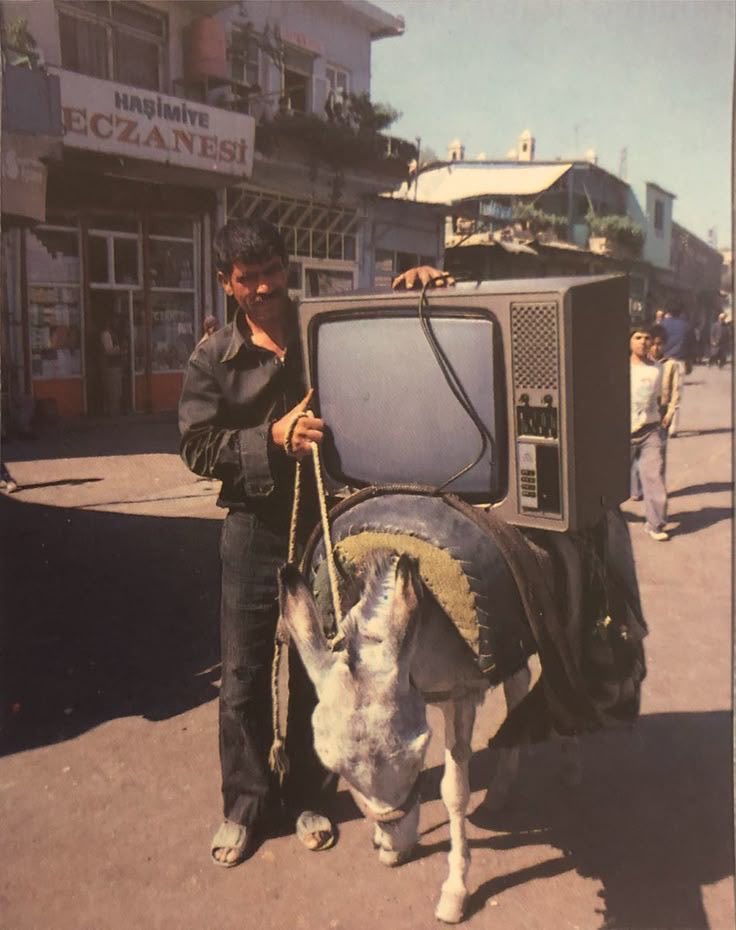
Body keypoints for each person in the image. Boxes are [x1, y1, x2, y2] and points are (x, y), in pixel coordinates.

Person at [179, 217, 446, 867]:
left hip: (327, 526)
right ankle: (246, 807)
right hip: (252, 529)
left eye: (272, 271)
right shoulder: (212, 359)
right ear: (226, 283)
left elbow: (383, 336)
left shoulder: (323, 327)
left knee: (317, 670)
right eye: (248, 278)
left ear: (286, 267)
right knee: (242, 676)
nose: (264, 287)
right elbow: (196, 446)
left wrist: (412, 287)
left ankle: (306, 794)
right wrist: (270, 439)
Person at [629, 326, 670, 541]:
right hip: (621, 431)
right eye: (638, 337)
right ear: (630, 341)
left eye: (647, 338)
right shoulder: (620, 368)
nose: (643, 342)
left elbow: (660, 398)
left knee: (654, 476)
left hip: (649, 430)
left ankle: (655, 524)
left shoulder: (657, 369)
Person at [631, 324, 680, 497]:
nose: (655, 348)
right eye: (653, 344)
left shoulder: (670, 365)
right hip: (641, 413)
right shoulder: (641, 365)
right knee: (636, 454)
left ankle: (658, 486)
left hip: (662, 411)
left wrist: (670, 413)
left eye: (660, 344)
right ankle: (636, 489)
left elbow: (676, 392)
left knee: (659, 453)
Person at [660, 305, 693, 436]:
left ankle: (662, 424)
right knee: (676, 394)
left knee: (663, 394)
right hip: (680, 361)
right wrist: (690, 363)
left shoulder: (662, 325)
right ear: (681, 312)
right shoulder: (687, 326)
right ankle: (672, 427)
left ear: (668, 311)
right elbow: (691, 346)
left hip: (663, 361)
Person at [99, 311, 123, 416]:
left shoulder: (113, 334)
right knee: (113, 390)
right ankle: (112, 412)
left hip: (114, 366)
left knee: (116, 390)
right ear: (109, 322)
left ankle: (114, 410)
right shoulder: (106, 334)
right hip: (110, 366)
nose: (117, 323)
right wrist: (120, 349)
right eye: (115, 321)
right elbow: (108, 351)